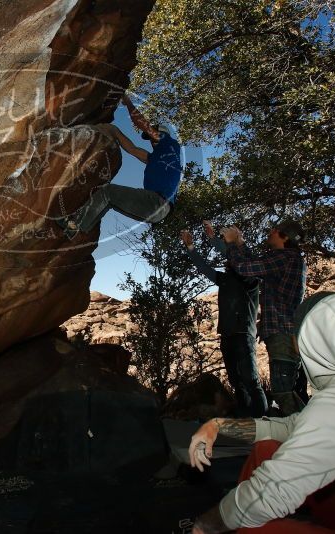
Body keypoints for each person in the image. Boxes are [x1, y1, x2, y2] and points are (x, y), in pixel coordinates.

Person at [188, 291, 335, 534]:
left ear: (311, 341)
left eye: (296, 334)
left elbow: (272, 492)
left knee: (254, 529)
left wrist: (205, 525)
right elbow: (292, 427)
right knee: (267, 449)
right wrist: (218, 426)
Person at [57, 95, 182, 239]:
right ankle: (78, 231)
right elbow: (132, 149)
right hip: (159, 211)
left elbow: (142, 124)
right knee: (108, 202)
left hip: (157, 202)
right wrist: (114, 131)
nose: (151, 142)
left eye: (152, 138)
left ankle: (73, 224)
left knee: (107, 192)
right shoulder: (155, 158)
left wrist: (127, 101)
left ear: (161, 134)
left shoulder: (170, 143)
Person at [181, 222, 267, 417]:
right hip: (227, 334)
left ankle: (263, 422)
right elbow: (203, 268)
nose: (228, 262)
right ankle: (247, 420)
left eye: (232, 259)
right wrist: (190, 247)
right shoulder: (225, 279)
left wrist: (220, 241)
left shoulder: (250, 280)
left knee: (251, 381)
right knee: (236, 382)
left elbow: (239, 258)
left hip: (243, 334)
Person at [221, 220, 307, 415]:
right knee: (287, 390)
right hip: (284, 332)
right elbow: (257, 265)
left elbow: (244, 268)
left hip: (282, 333)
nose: (271, 232)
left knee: (283, 392)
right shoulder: (287, 259)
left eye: (275, 230)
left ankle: (311, 436)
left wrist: (232, 244)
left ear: (285, 237)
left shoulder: (285, 258)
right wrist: (241, 243)